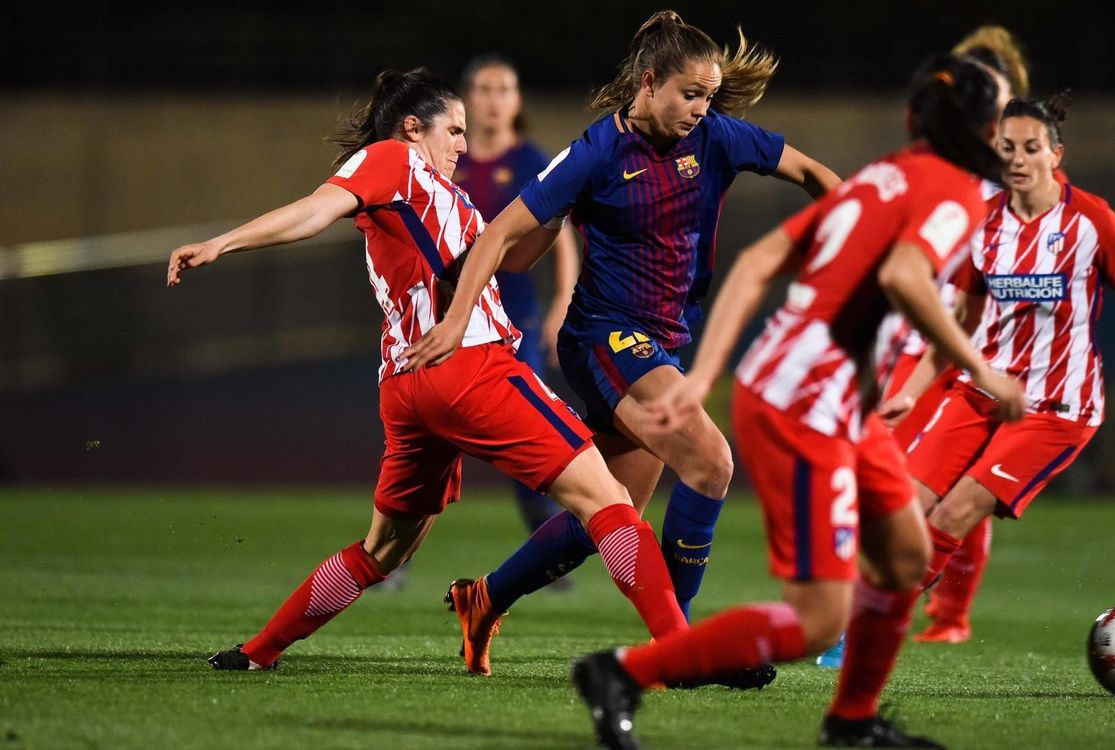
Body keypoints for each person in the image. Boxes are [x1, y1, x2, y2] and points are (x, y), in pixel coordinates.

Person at [566, 54, 1028, 750]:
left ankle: (853, 721)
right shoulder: (953, 192)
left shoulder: (883, 177)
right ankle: (623, 673)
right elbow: (906, 277)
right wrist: (983, 369)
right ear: (985, 129)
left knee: (906, 554)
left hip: (833, 398)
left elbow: (758, 262)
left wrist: (705, 374)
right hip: (804, 404)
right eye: (1001, 118)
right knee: (817, 620)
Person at [165, 67, 688, 673]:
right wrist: (222, 242)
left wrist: (558, 204)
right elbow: (315, 210)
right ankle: (683, 649)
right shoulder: (392, 158)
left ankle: (258, 653)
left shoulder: (444, 197)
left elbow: (514, 255)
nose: (464, 144)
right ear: (413, 128)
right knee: (609, 499)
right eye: (454, 130)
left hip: (409, 388)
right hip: (469, 368)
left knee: (381, 551)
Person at [403, 10, 840, 680]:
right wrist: (458, 318)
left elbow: (811, 171)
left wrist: (857, 234)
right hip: (603, 336)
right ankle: (683, 645)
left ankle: (483, 597)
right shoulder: (596, 152)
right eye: (690, 94)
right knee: (710, 462)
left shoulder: (717, 137)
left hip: (660, 342)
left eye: (708, 96)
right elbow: (499, 234)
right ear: (649, 81)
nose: (701, 109)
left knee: (607, 513)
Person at [882, 92, 1115, 643]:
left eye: (1031, 147)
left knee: (953, 513)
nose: (1017, 158)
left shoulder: (1093, 220)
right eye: (1007, 147)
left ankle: (871, 625)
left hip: (1058, 407)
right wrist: (912, 391)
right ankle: (872, 614)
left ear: (1055, 154)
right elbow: (961, 322)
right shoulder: (981, 223)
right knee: (905, 507)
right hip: (979, 393)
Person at [376, 56, 581, 593]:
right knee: (431, 442)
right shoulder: (444, 156)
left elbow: (558, 233)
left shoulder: (529, 158)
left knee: (527, 441)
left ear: (517, 100)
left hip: (509, 316)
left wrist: (562, 301)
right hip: (442, 320)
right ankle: (394, 560)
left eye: (505, 88)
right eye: (485, 89)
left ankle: (544, 560)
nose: (494, 99)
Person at [881, 25, 1033, 645]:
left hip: (982, 345)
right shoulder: (935, 167)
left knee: (967, 481)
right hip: (924, 340)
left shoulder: (1024, 174)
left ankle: (949, 613)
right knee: (894, 473)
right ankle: (870, 597)